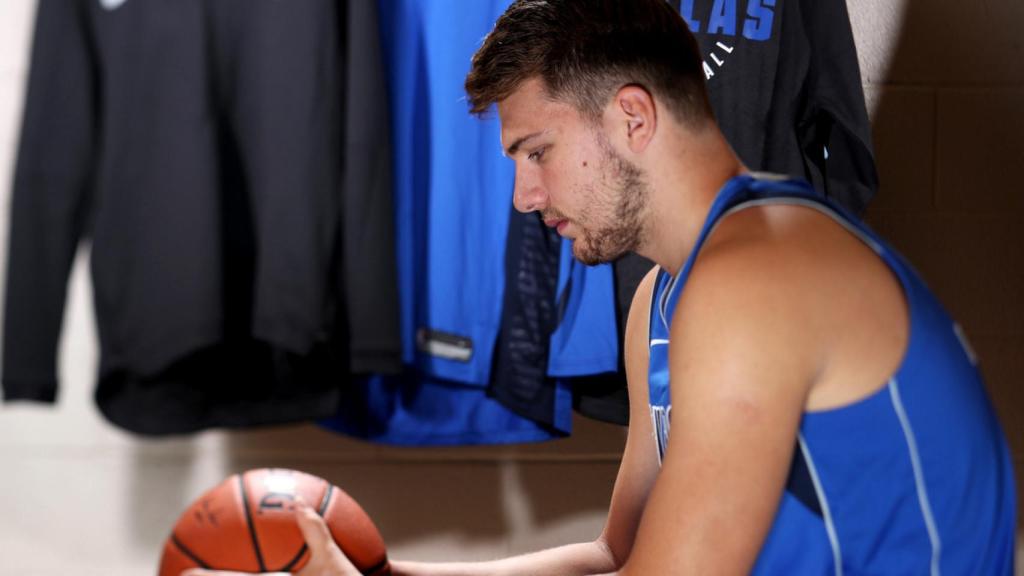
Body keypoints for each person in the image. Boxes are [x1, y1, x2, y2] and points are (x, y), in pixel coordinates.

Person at [186, 0, 1017, 574]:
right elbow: (618, 556)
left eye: (537, 152)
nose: (524, 197)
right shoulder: (664, 296)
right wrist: (387, 572)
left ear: (632, 117)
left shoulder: (759, 273)